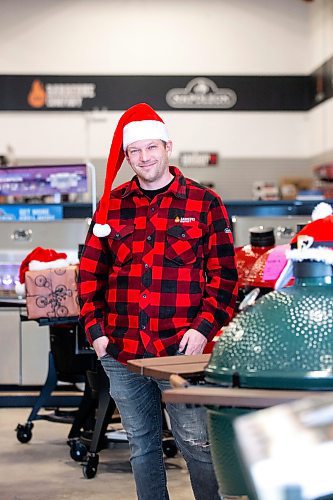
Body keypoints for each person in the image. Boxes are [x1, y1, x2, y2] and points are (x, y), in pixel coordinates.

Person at [78, 103, 238, 500]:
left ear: (168, 147)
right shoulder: (112, 205)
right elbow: (89, 274)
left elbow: (224, 279)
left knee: (197, 446)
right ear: (127, 155)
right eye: (135, 151)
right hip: (122, 348)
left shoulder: (204, 203)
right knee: (142, 446)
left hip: (181, 350)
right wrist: (97, 334)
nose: (145, 157)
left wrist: (203, 330)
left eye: (152, 147)